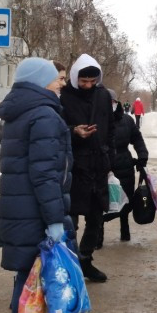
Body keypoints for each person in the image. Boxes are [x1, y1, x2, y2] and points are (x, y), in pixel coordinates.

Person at [0, 57, 73, 313]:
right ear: (41, 82)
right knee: (29, 284)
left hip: (21, 208)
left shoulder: (21, 112)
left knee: (27, 282)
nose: (60, 83)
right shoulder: (42, 114)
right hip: (34, 211)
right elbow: (44, 174)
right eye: (55, 79)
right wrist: (54, 219)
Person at [59, 54, 115, 282]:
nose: (88, 85)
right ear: (74, 77)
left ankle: (85, 259)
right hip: (74, 166)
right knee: (70, 218)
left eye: (92, 81)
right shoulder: (64, 96)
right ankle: (68, 263)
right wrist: (74, 131)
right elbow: (57, 125)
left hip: (98, 165)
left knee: (96, 217)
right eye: (83, 81)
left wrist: (109, 156)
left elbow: (110, 127)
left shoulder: (102, 95)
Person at [107, 88, 148, 243]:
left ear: (116, 102)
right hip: (104, 166)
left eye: (111, 102)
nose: (109, 105)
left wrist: (143, 156)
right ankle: (98, 235)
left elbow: (137, 139)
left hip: (124, 164)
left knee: (126, 199)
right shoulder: (96, 120)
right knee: (101, 202)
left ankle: (125, 229)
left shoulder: (127, 120)